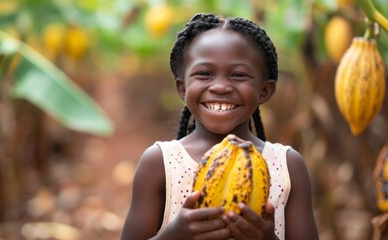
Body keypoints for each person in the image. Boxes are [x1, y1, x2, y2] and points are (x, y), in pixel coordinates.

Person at [121, 13, 319, 240]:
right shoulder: (159, 163)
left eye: (238, 75)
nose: (221, 87)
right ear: (182, 88)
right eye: (205, 74)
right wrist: (172, 236)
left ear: (264, 90)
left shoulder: (287, 166)